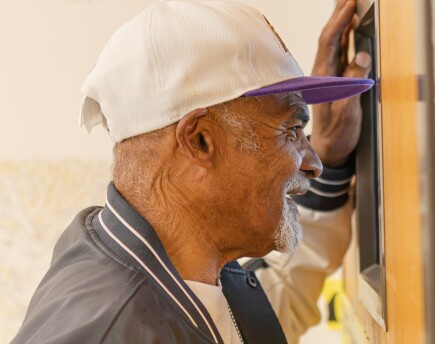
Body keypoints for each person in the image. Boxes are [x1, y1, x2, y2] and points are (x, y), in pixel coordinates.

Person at [12, 0, 371, 343]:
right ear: (200, 141)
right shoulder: (113, 331)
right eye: (291, 130)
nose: (313, 162)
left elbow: (267, 310)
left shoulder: (175, 272)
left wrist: (334, 159)